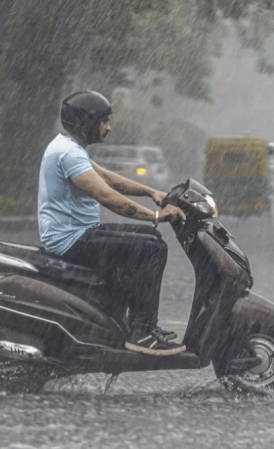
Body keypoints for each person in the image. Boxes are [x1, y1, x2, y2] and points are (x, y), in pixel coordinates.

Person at [38, 90, 186, 356]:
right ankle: (141, 331)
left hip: (79, 234)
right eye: (104, 121)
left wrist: (152, 192)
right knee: (152, 249)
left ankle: (133, 324)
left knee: (150, 239)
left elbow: (108, 178)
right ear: (87, 121)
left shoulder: (68, 147)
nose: (109, 127)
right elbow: (106, 196)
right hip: (72, 240)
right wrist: (154, 216)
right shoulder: (68, 154)